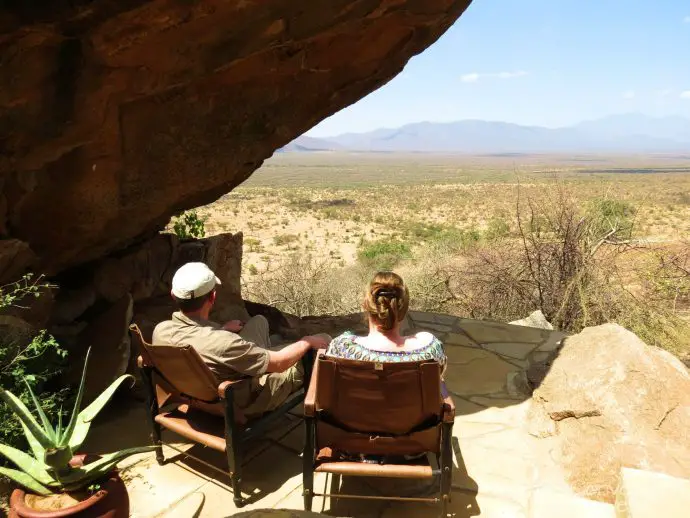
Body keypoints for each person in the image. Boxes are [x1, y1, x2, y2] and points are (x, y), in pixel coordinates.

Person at [153, 262, 330, 418]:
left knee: (259, 321)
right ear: (212, 297)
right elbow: (280, 363)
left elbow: (200, 341)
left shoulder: (160, 331)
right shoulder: (224, 342)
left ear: (174, 296)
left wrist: (221, 329)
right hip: (239, 401)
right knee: (321, 342)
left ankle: (261, 356)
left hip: (200, 389)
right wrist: (306, 341)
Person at [326, 271, 446, 372]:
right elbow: (439, 386)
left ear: (366, 305)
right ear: (404, 308)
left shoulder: (343, 347)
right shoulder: (429, 349)